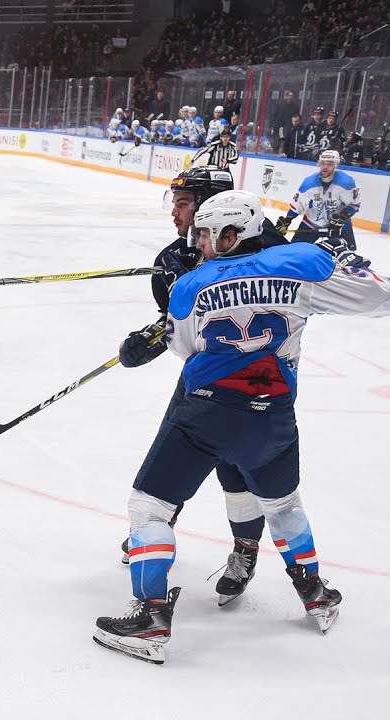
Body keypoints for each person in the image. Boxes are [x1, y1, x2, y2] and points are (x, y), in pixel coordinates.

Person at [94, 190, 390, 665]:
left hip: (206, 415)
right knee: (284, 505)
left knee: (150, 506)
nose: (201, 243)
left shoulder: (192, 283)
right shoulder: (301, 264)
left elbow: (183, 347)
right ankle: (315, 592)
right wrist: (345, 261)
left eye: (208, 234)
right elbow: (384, 298)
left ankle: (151, 615)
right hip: (273, 417)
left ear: (232, 234)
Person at [116, 167, 284, 606]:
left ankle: (245, 550)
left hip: (259, 380)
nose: (175, 212)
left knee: (239, 470)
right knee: (174, 455)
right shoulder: (172, 260)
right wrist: (148, 341)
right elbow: (177, 329)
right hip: (203, 376)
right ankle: (157, 530)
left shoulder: (268, 250)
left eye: (184, 203)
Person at [276, 150, 361, 249]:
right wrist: (287, 221)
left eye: (329, 164)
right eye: (323, 164)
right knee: (294, 252)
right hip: (311, 224)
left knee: (347, 256)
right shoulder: (309, 183)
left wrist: (341, 218)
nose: (325, 167)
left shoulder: (346, 183)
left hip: (339, 227)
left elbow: (354, 205)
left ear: (336, 165)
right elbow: (297, 206)